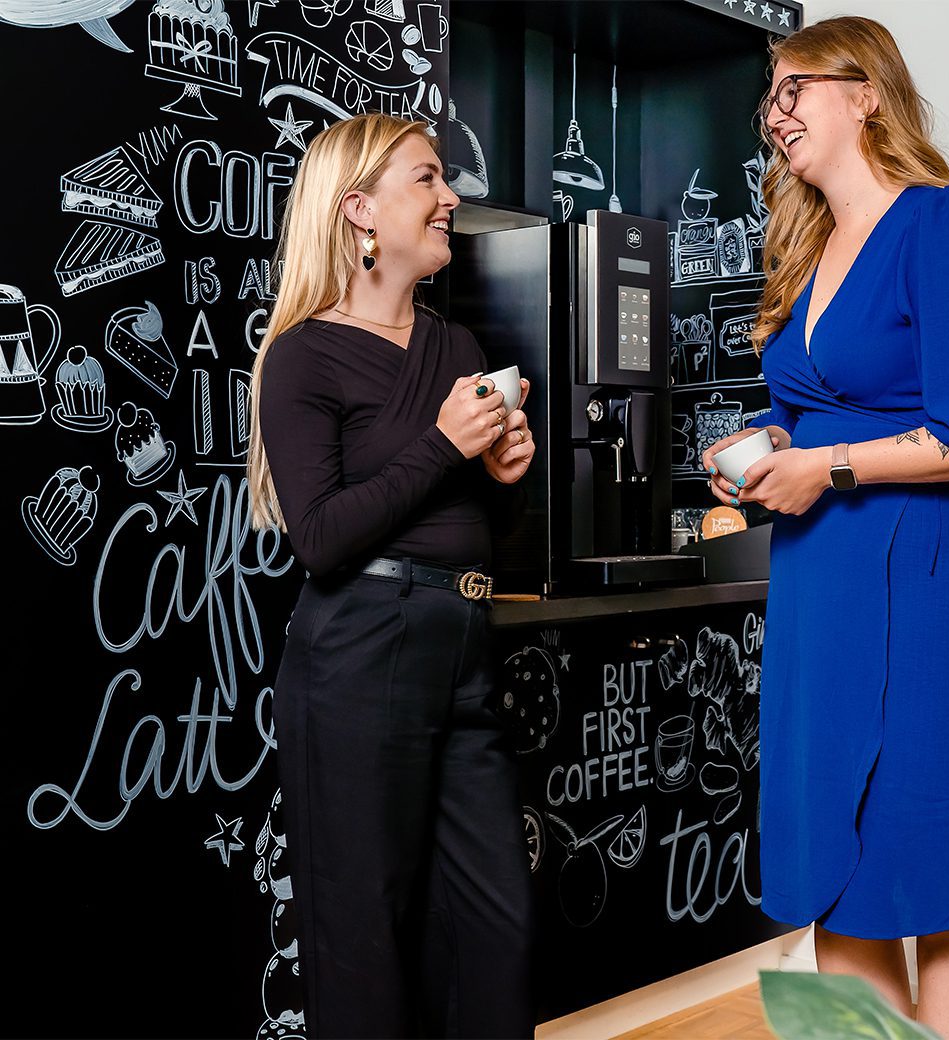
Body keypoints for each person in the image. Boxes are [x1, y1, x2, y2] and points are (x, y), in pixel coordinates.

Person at [701, 16, 949, 1038]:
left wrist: (827, 462)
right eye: (766, 99)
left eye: (791, 90)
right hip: (824, 580)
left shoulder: (946, 223)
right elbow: (824, 410)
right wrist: (773, 440)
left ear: (864, 92)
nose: (775, 116)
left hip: (934, 578)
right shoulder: (807, 252)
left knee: (940, 870)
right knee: (836, 866)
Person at [246, 113, 537, 1039]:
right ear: (361, 210)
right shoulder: (302, 356)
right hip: (358, 655)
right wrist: (445, 445)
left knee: (496, 933)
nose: (450, 196)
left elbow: (469, 530)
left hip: (462, 642)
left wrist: (501, 476)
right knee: (367, 946)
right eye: (427, 179)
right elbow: (323, 540)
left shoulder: (454, 348)